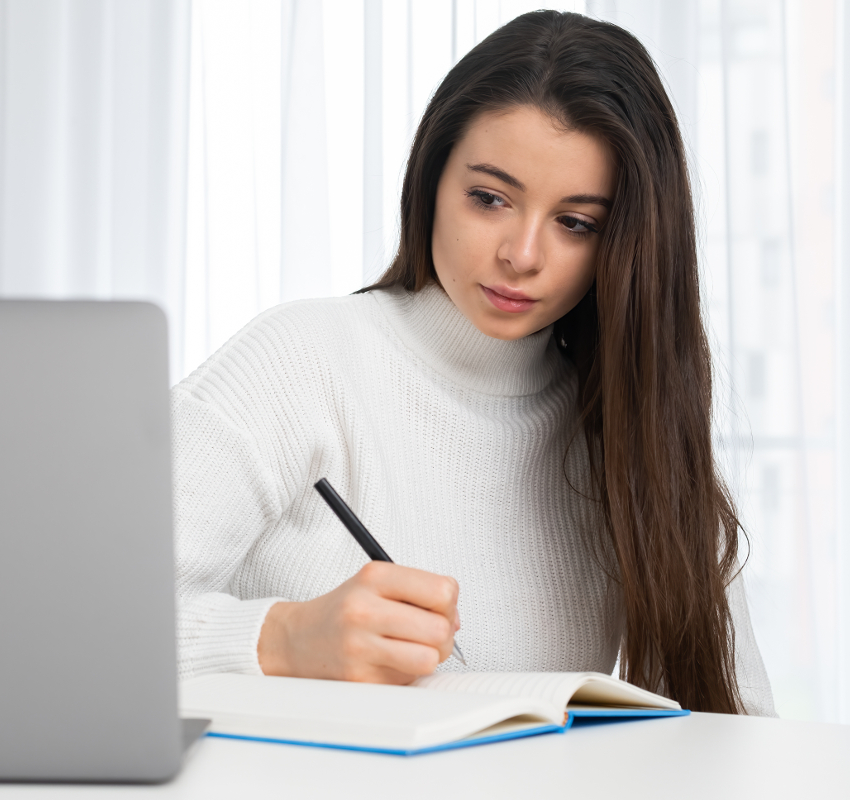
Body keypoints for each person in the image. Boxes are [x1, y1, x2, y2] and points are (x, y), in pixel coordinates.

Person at [171, 10, 775, 716]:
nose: (521, 254)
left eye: (576, 223)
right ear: (432, 178)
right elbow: (61, 613)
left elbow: (742, 727)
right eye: (489, 199)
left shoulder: (631, 423)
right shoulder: (298, 361)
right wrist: (281, 640)